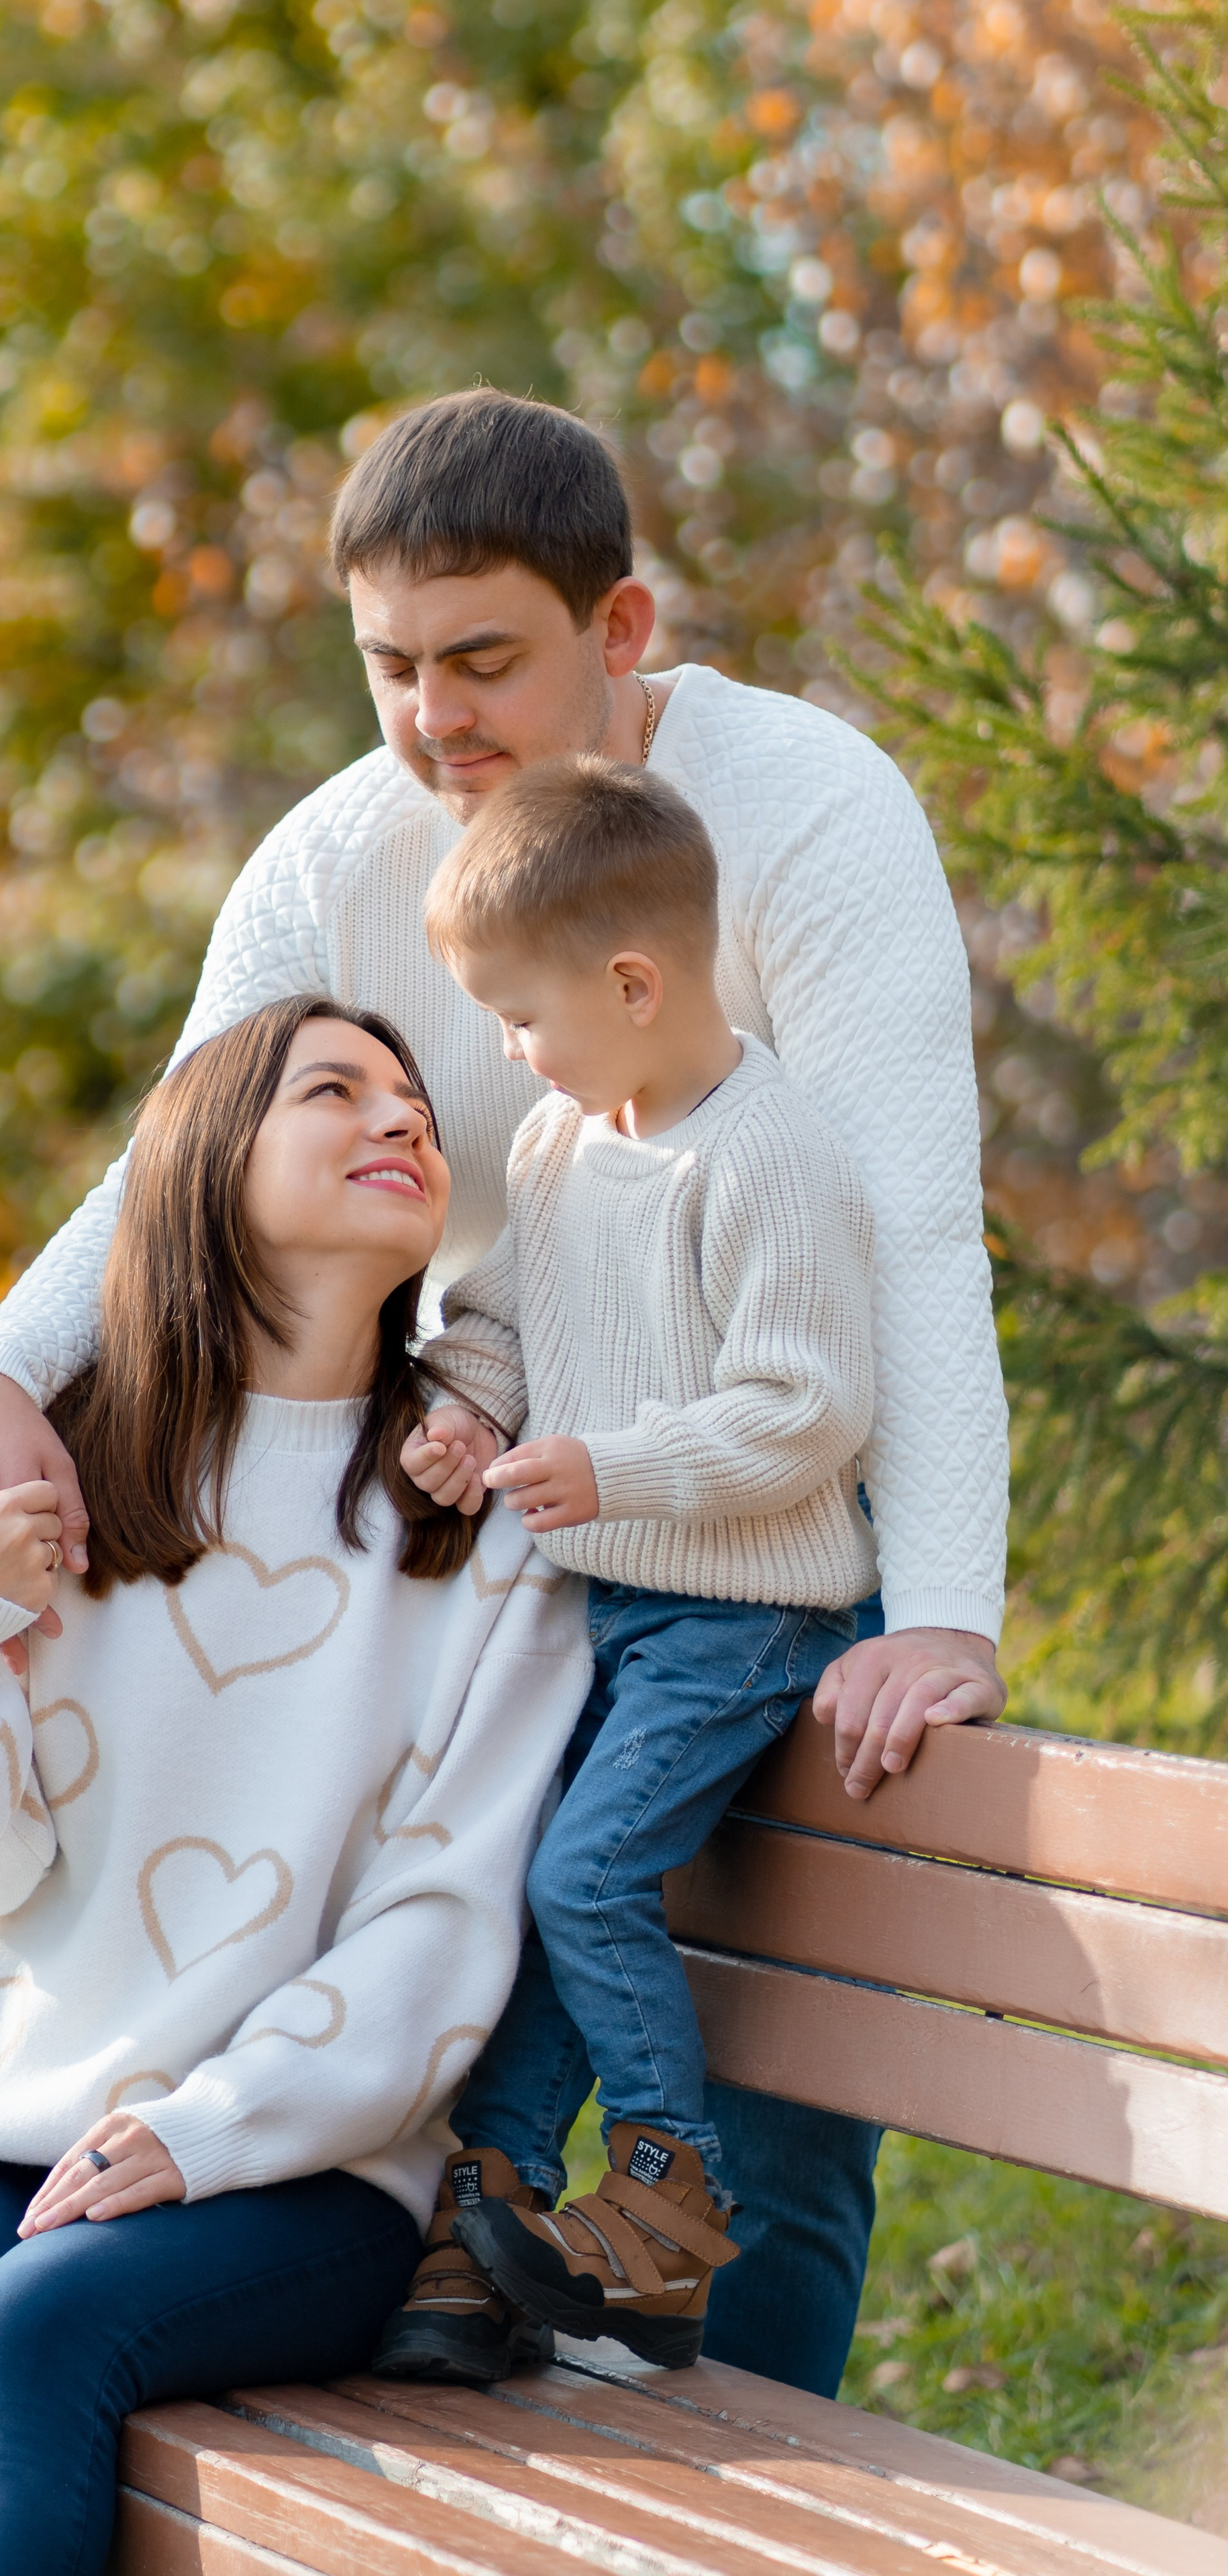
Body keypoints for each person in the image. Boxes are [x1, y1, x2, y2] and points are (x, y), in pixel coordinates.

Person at [0, 388, 1010, 2398]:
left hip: (772, 1540)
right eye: (393, 667)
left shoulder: (813, 808)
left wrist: (939, 1604)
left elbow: (911, 1229)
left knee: (770, 2121)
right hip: (507, 1535)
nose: (433, 719)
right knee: (496, 1989)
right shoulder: (341, 852)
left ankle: (750, 2471)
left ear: (623, 627)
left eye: (485, 660)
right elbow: (183, 1148)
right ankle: (475, 2316)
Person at [0, 998, 593, 2576]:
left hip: (302, 2168)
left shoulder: (493, 1537)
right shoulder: (71, 1472)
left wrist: (210, 2125)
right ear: (207, 1168)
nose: (400, 1122)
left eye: (415, 1104)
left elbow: (439, 1928)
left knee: (33, 2333)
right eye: (332, 1091)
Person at [372, 753, 876, 2375]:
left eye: (520, 1018)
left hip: (742, 1619)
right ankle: (495, 2212)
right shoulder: (557, 1147)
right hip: (609, 1607)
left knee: (584, 1876)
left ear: (634, 981)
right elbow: (510, 1322)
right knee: (531, 1881)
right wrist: (465, 1409)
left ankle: (669, 2198)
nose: (510, 1054)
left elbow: (805, 1412)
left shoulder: (765, 1153)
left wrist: (619, 1466)